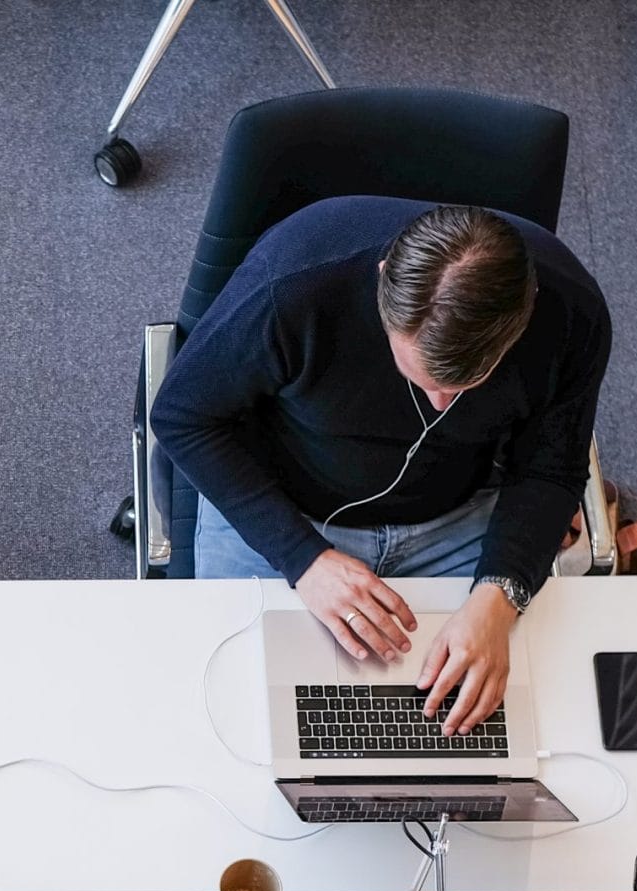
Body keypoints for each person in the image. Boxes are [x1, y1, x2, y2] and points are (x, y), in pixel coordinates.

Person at [150, 198, 611, 735]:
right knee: (230, 721)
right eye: (422, 378)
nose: (441, 406)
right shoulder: (294, 284)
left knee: (481, 728)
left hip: (453, 519)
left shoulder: (572, 312)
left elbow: (550, 469)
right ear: (382, 280)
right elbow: (182, 415)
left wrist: (499, 597)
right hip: (283, 505)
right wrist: (305, 560)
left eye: (463, 386)